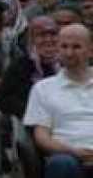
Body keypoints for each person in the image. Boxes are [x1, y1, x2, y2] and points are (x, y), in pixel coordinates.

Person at [22, 24, 93, 178]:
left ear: (90, 50)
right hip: (67, 157)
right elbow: (41, 136)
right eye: (64, 46)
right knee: (61, 164)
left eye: (76, 47)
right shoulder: (43, 88)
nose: (69, 52)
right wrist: (73, 152)